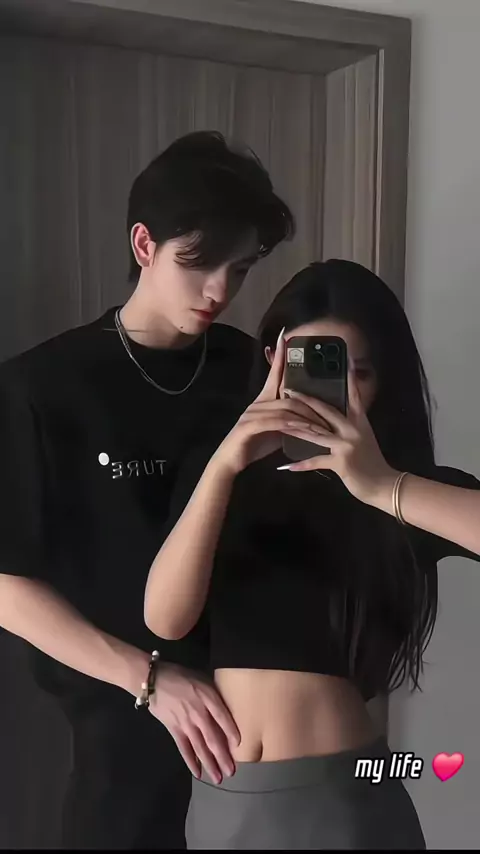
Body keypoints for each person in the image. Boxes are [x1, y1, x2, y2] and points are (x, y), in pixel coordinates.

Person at [0, 130, 294, 850]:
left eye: (240, 268)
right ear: (144, 245)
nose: (221, 290)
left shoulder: (247, 370)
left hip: (260, 731)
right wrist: (152, 681)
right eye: (200, 262)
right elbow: (4, 583)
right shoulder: (42, 387)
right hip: (121, 737)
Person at [145, 259, 480, 850]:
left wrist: (381, 485)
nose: (335, 391)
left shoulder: (402, 490)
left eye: (359, 373)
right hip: (223, 802)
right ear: (274, 363)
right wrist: (225, 464)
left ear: (386, 382)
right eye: (311, 367)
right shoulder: (223, 474)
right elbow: (165, 619)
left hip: (344, 800)